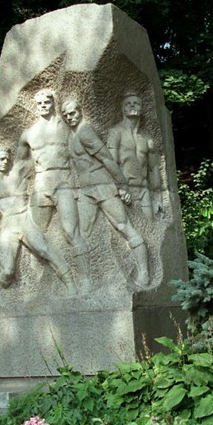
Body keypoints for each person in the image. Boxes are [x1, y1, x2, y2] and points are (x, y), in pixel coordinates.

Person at [60, 98, 150, 287]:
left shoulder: (85, 131)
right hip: (86, 190)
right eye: (66, 115)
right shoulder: (72, 134)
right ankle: (86, 282)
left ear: (80, 112)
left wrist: (122, 185)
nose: (70, 117)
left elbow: (107, 159)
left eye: (73, 113)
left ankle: (144, 273)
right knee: (80, 234)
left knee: (123, 226)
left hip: (102, 185)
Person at [13, 89, 91, 282]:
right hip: (40, 185)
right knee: (35, 235)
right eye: (39, 103)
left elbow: (82, 154)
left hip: (64, 182)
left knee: (71, 232)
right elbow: (20, 165)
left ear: (53, 102)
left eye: (47, 101)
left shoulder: (66, 128)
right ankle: (39, 282)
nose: (43, 106)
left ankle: (85, 280)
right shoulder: (29, 134)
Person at [0, 147, 74, 290]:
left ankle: (70, 283)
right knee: (8, 271)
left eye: (7, 158)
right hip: (7, 227)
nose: (5, 162)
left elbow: (38, 160)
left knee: (44, 249)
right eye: (1, 159)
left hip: (24, 219)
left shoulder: (18, 173)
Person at [106, 93, 162, 220]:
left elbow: (153, 169)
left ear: (141, 108)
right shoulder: (115, 133)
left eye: (136, 103)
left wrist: (158, 196)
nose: (132, 105)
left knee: (150, 227)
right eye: (128, 103)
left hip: (144, 191)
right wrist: (120, 188)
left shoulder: (147, 139)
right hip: (125, 191)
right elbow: (111, 163)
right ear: (123, 109)